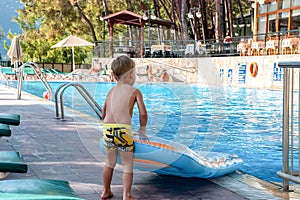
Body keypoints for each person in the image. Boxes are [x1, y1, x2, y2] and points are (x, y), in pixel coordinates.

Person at [101, 55, 148, 200]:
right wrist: (142, 129)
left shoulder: (110, 92)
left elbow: (103, 114)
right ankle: (126, 195)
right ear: (131, 74)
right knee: (127, 164)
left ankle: (106, 191)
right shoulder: (135, 92)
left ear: (114, 75)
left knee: (109, 163)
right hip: (123, 130)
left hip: (108, 129)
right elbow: (143, 113)